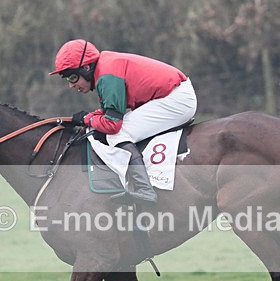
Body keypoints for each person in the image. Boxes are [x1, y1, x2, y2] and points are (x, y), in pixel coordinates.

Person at [50, 39, 197, 204]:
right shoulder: (104, 67)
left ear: (86, 68)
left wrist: (87, 119)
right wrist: (89, 118)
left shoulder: (106, 76)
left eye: (72, 77)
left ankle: (144, 190)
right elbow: (110, 112)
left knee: (117, 135)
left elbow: (112, 125)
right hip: (174, 95)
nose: (71, 85)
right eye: (67, 79)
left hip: (176, 100)